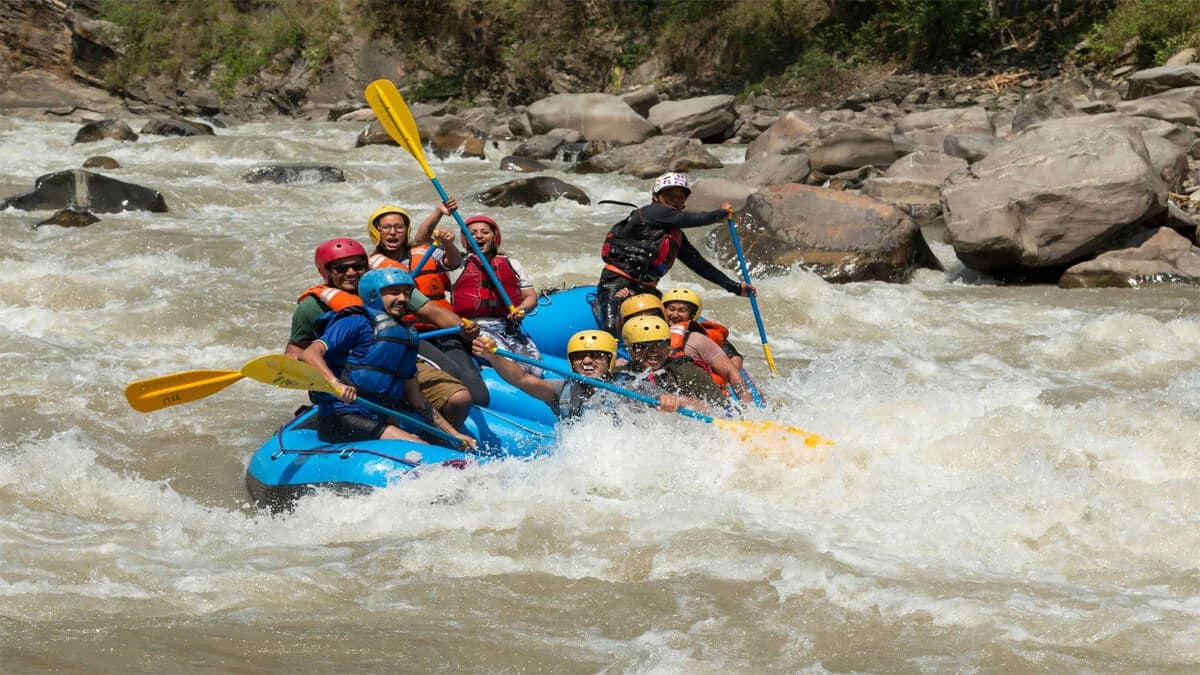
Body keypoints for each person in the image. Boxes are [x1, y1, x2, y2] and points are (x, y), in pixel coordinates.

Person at [286, 237, 476, 425]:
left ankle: (437, 438)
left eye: (357, 266)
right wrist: (297, 361)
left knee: (459, 398)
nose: (351, 273)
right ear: (326, 272)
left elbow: (434, 313)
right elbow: (297, 347)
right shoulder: (311, 306)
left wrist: (465, 329)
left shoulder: (391, 288)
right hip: (350, 373)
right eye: (341, 268)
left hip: (399, 361)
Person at [299, 268, 476, 449]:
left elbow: (417, 399)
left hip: (379, 417)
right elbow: (310, 354)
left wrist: (453, 434)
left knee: (426, 447)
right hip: (342, 415)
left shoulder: (408, 336)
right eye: (394, 292)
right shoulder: (356, 321)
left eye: (406, 293)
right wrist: (335, 384)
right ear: (373, 295)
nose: (403, 299)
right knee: (418, 447)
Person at [595, 172, 755, 338]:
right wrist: (721, 212)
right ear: (656, 197)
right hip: (617, 282)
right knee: (611, 328)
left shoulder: (675, 235)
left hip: (647, 289)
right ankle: (599, 307)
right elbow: (696, 219)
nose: (675, 200)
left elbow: (699, 265)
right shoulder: (649, 213)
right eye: (669, 196)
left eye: (680, 197)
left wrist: (735, 287)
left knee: (661, 335)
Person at [367, 201, 491, 406]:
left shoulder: (424, 251)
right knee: (450, 373)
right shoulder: (371, 269)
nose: (393, 232)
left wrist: (465, 329)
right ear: (376, 231)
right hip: (410, 334)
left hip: (442, 329)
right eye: (386, 227)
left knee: (477, 392)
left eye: (399, 227)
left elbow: (453, 262)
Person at [470, 330, 693, 420]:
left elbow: (695, 406)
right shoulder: (561, 390)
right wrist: (493, 357)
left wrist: (674, 401)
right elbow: (521, 379)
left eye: (596, 356)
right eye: (579, 357)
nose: (586, 361)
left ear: (610, 360)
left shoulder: (632, 386)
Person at [449, 214, 543, 375]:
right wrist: (446, 242)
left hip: (508, 324)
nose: (479, 236)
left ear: (494, 237)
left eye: (485, 232)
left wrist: (521, 309)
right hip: (475, 327)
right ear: (465, 239)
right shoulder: (457, 265)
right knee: (510, 365)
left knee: (536, 369)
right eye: (472, 233)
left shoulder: (512, 264)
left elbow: (530, 296)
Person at [620, 292, 753, 403]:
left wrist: (747, 408)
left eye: (651, 315)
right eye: (635, 318)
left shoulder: (694, 342)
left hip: (703, 392)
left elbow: (732, 371)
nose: (645, 321)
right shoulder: (625, 359)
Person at [618, 315, 725, 407]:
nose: (655, 350)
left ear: (669, 345)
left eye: (661, 343)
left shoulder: (688, 372)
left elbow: (722, 409)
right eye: (645, 345)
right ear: (631, 349)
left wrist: (682, 402)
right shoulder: (622, 374)